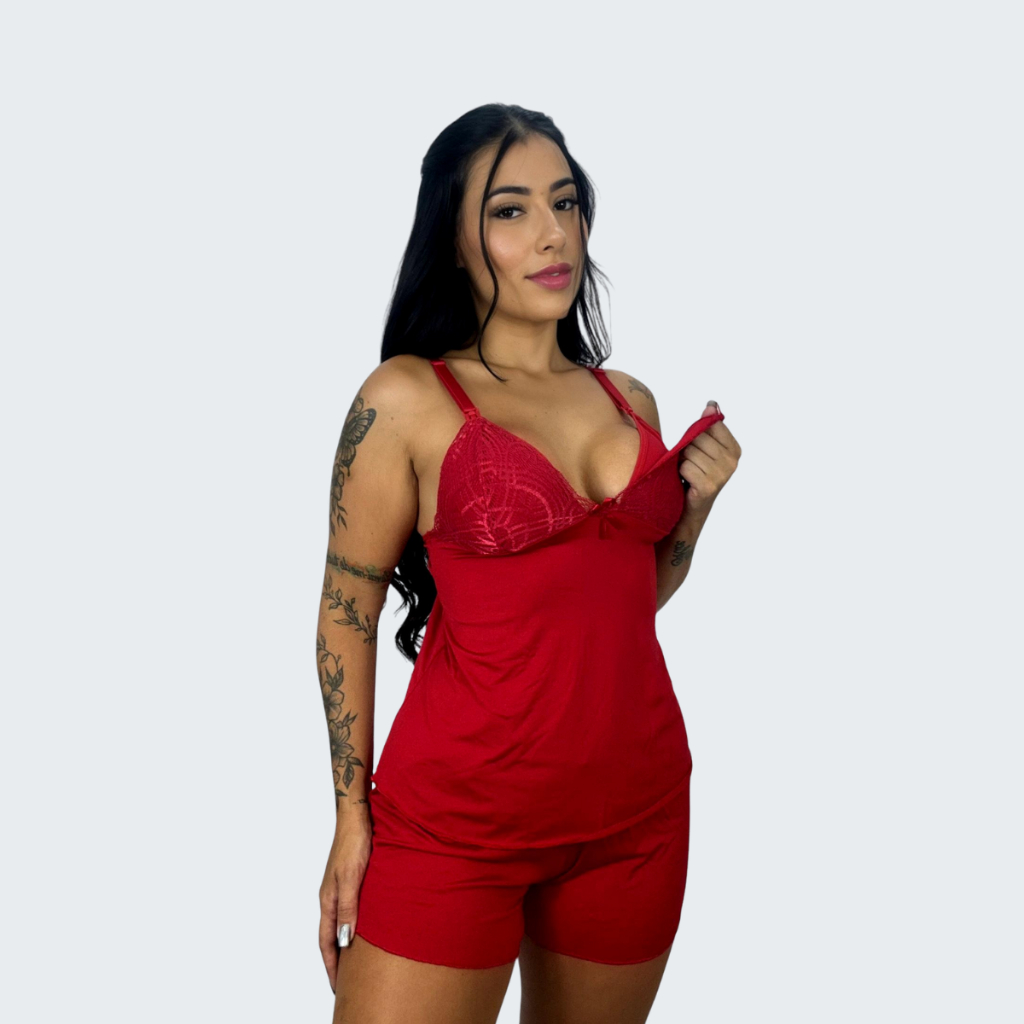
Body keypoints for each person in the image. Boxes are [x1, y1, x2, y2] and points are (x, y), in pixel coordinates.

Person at [316, 103, 741, 1024]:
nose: (552, 234)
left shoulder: (627, 399)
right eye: (510, 211)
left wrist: (694, 513)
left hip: (637, 816)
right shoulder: (406, 398)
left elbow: (621, 602)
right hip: (454, 830)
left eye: (565, 202)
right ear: (455, 239)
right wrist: (352, 816)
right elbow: (344, 616)